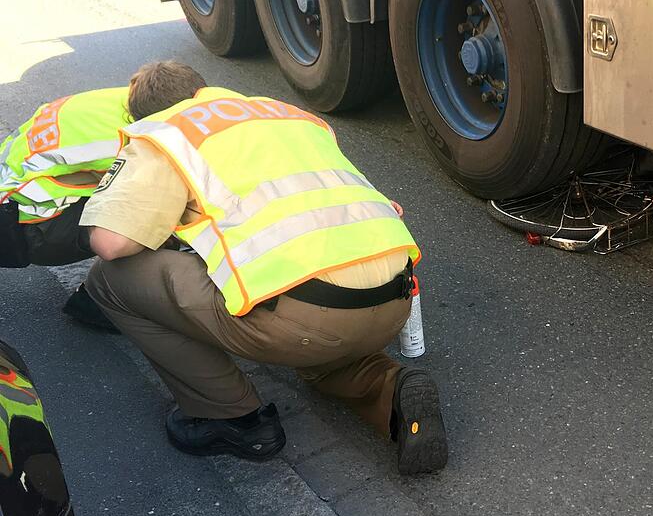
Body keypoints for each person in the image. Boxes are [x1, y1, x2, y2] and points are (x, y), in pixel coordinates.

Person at [79, 61, 448, 474]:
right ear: (203, 89)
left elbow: (110, 243)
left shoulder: (168, 133)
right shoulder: (282, 114)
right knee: (321, 346)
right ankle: (395, 391)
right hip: (394, 298)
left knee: (109, 280)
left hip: (304, 319)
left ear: (144, 114)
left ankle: (232, 419)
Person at [0, 86, 131, 327]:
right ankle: (100, 302)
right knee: (151, 212)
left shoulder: (109, 101)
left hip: (9, 198)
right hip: (22, 229)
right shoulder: (133, 143)